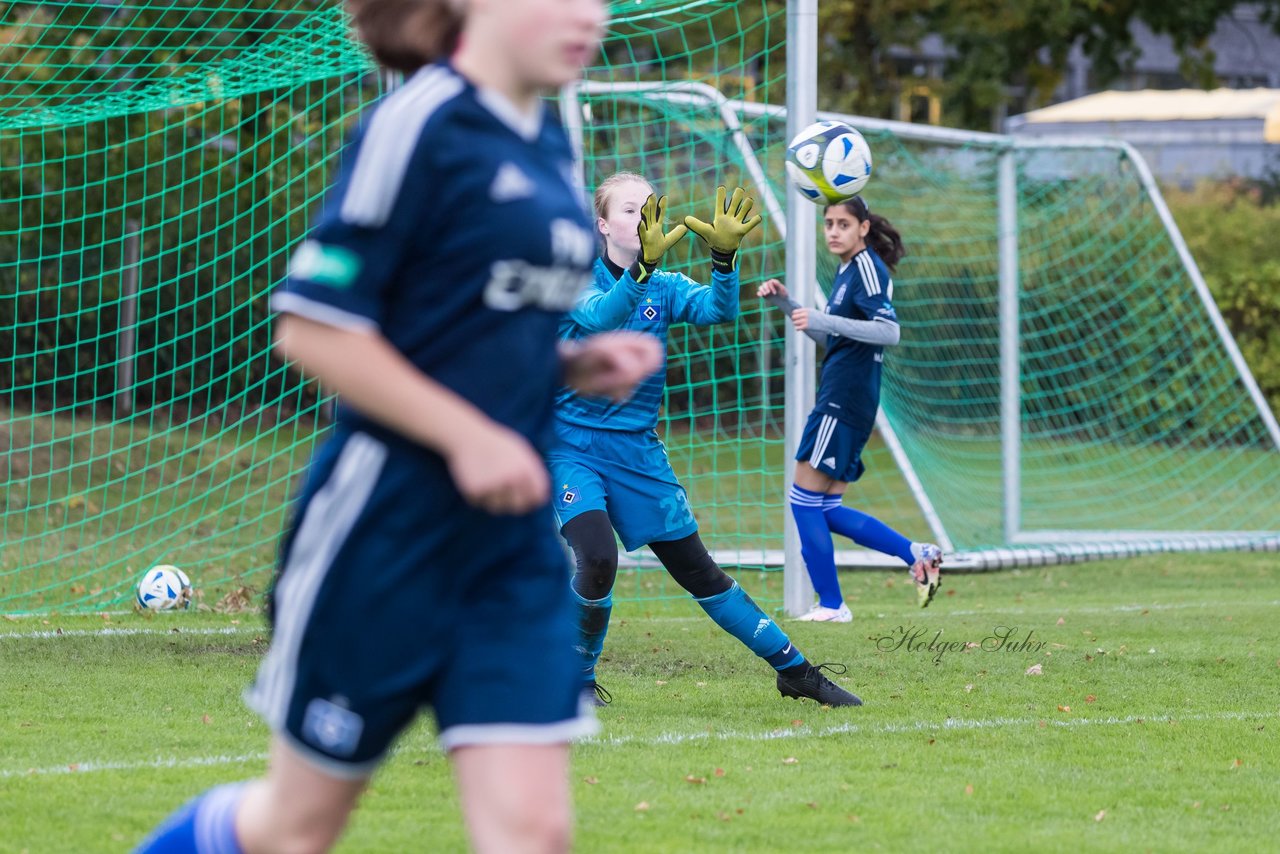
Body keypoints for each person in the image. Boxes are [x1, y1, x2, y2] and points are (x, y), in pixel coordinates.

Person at [134, 1, 663, 852]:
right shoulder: (416, 124)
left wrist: (568, 367)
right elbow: (313, 328)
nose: (589, 15)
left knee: (534, 832)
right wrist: (468, 436)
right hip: (386, 535)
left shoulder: (551, 148)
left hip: (510, 551)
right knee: (293, 829)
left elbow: (468, 328)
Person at [550, 172, 863, 709]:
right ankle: (576, 682)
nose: (643, 216)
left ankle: (795, 670)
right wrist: (643, 269)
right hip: (570, 449)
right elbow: (605, 314)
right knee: (597, 559)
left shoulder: (666, 285)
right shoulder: (575, 283)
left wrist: (723, 262)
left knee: (701, 572)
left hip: (638, 454)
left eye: (650, 206)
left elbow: (720, 310)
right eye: (629, 210)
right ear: (602, 225)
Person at [758, 194, 942, 623]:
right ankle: (917, 553)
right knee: (825, 509)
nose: (834, 231)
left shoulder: (865, 267)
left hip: (844, 399)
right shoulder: (847, 272)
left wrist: (823, 319)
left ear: (863, 228)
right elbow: (836, 340)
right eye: (829, 224)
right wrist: (789, 306)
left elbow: (888, 331)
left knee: (803, 502)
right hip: (846, 396)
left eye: (843, 224)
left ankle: (833, 605)